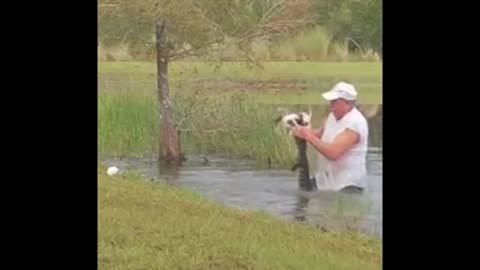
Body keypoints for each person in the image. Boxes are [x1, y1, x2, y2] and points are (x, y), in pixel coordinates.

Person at [292, 81, 369, 193]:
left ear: (347, 103)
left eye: (334, 102)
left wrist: (308, 136)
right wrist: (301, 130)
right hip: (326, 180)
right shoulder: (333, 115)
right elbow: (320, 134)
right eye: (331, 101)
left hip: (348, 184)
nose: (330, 104)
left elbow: (333, 153)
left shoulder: (355, 123)